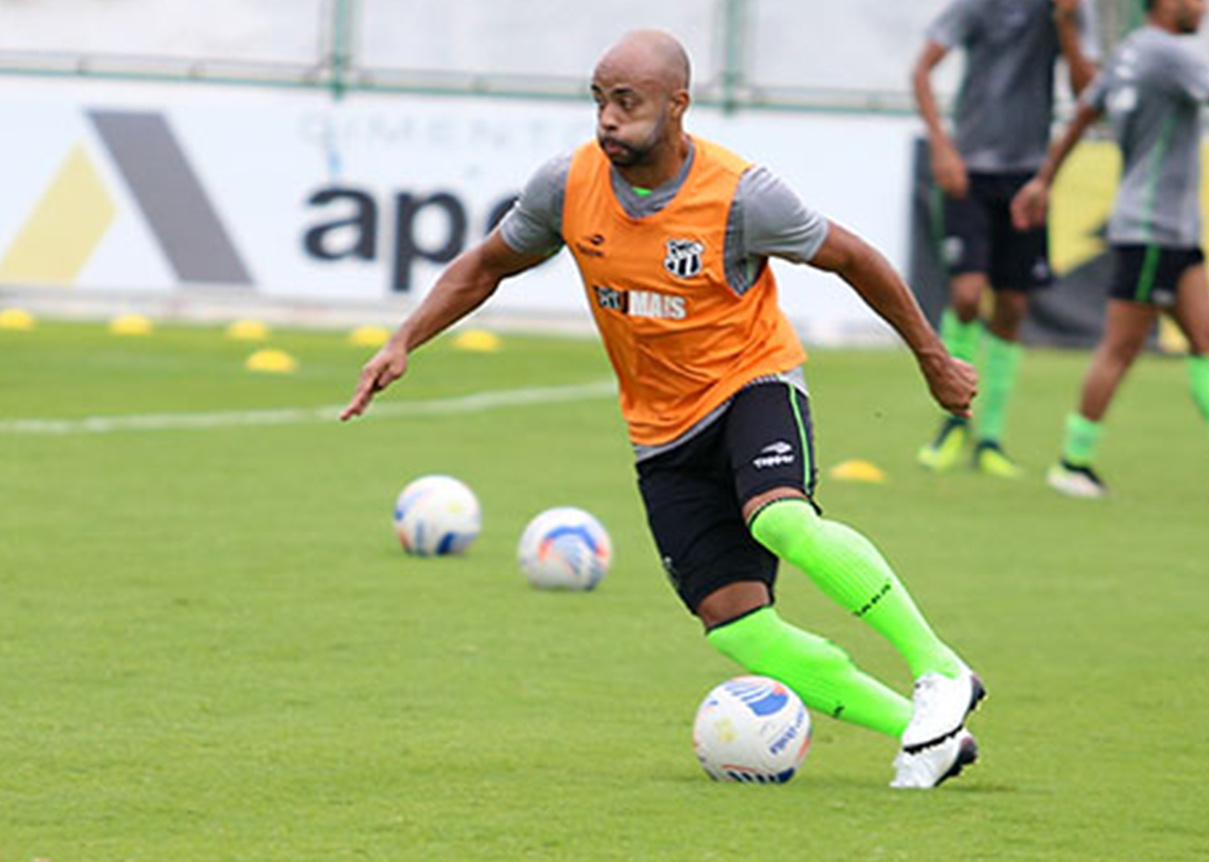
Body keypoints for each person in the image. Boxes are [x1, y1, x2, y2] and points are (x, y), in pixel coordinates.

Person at [342, 31, 986, 788]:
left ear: (676, 105)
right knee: (737, 626)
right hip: (660, 432)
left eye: (626, 103)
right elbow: (487, 264)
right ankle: (925, 736)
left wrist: (932, 358)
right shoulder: (566, 184)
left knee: (777, 517)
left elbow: (854, 259)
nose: (607, 120)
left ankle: (939, 670)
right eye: (598, 101)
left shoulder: (742, 196)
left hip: (753, 383)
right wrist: (403, 341)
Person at [1012, 0, 1209, 498]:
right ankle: (1073, 461)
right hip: (1151, 228)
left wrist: (1043, 180)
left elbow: (1083, 112)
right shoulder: (1170, 54)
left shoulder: (1129, 53)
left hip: (1172, 229)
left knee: (1206, 341)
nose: (1202, 6)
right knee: (1121, 346)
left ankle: (1075, 459)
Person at [912, 0, 1098, 477]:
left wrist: (1066, 25)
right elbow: (922, 70)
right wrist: (941, 145)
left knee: (1013, 306)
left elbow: (1087, 95)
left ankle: (991, 437)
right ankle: (953, 421)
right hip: (968, 172)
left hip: (1028, 177)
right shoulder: (979, 5)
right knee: (968, 294)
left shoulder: (1071, 10)